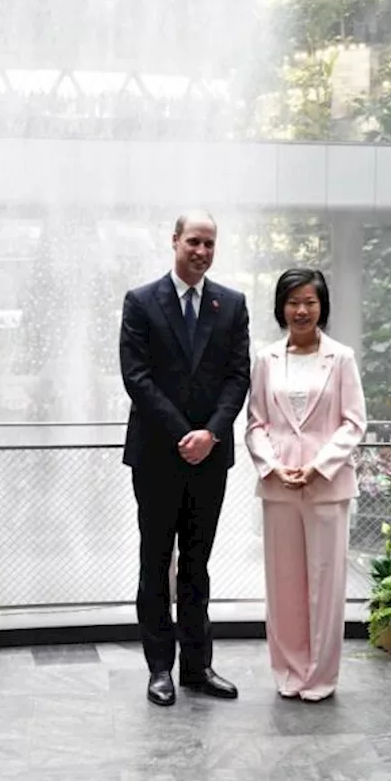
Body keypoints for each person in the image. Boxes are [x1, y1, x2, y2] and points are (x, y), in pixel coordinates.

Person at [119, 210, 251, 706]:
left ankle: (198, 666)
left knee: (198, 565)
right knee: (156, 563)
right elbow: (137, 378)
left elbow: (239, 376)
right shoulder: (141, 302)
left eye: (210, 244)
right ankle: (160, 670)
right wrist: (184, 434)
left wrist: (212, 434)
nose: (201, 251)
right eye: (194, 241)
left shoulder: (232, 305)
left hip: (210, 459)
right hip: (158, 456)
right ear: (174, 241)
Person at [244, 267, 367, 702]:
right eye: (293, 302)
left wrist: (319, 465)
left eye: (309, 302)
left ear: (322, 307)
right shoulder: (266, 359)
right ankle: (289, 672)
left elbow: (354, 422)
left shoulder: (342, 358)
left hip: (327, 486)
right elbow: (256, 422)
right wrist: (272, 466)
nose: (301, 310)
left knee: (326, 582)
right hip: (279, 487)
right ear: (281, 307)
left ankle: (320, 677)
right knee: (283, 584)